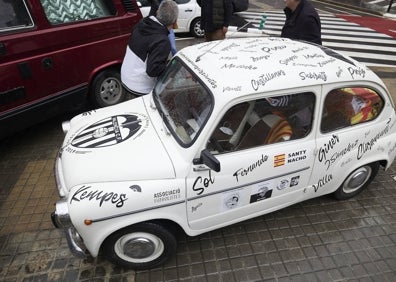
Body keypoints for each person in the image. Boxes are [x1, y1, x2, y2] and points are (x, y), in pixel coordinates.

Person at [121, 0, 178, 95]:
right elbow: (153, 70)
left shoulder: (142, 24)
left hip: (125, 75)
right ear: (175, 21)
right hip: (139, 87)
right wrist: (171, 68)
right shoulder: (162, 41)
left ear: (157, 13)